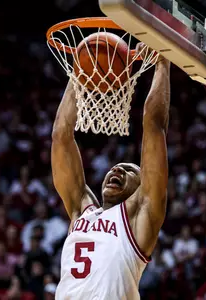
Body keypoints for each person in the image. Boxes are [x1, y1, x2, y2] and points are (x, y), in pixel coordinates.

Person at [52, 44, 170, 300]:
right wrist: (79, 72)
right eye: (117, 167)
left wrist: (162, 63)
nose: (117, 169)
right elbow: (61, 136)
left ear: (141, 188)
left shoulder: (140, 217)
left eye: (130, 170)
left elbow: (154, 124)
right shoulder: (80, 210)